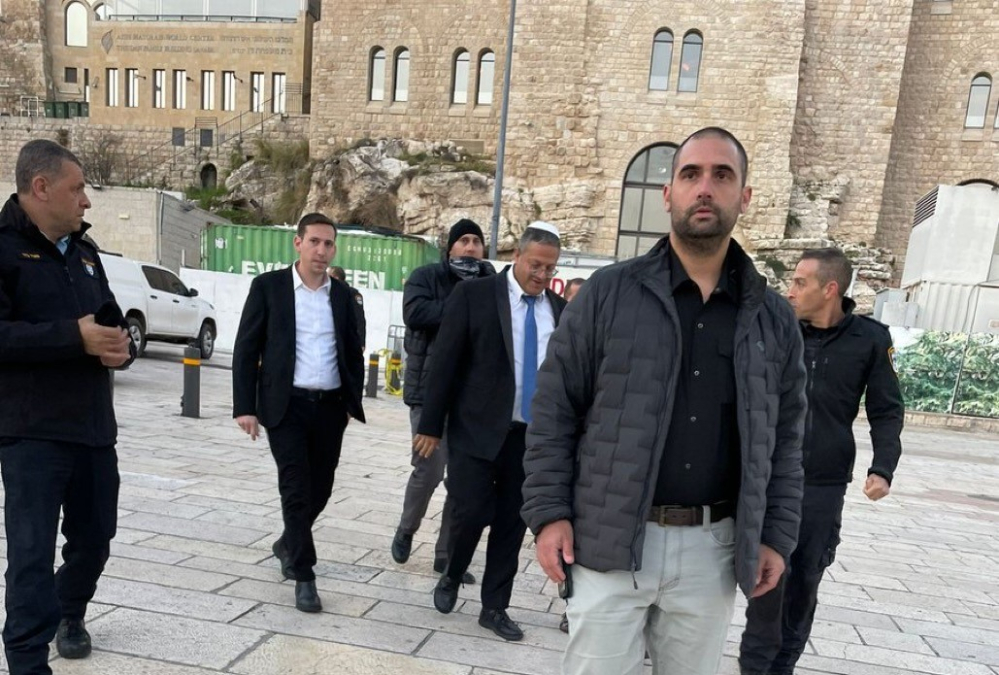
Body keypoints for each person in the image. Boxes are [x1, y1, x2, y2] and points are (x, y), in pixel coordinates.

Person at [522, 127, 808, 675]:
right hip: (608, 542)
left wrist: (775, 535)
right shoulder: (608, 294)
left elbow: (787, 439)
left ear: (745, 196)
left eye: (722, 175)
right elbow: (555, 409)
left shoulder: (772, 319)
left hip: (712, 552)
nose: (705, 188)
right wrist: (550, 513)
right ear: (668, 193)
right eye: (690, 174)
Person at [0, 139, 134, 675]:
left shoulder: (85, 252)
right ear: (41, 187)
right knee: (30, 556)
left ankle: (69, 611)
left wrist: (118, 347)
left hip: (94, 428)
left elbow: (105, 319)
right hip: (31, 432)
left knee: (95, 540)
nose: (86, 200)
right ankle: (27, 661)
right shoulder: (3, 249)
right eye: (77, 188)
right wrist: (71, 337)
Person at [739, 247, 904, 675]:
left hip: (823, 486)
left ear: (830, 289)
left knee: (803, 585)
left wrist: (883, 467)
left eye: (800, 282)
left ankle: (782, 668)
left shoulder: (870, 339)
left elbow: (887, 409)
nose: (790, 291)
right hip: (770, 479)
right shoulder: (777, 331)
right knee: (766, 586)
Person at [416, 222, 567, 641]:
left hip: (530, 439)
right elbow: (445, 361)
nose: (541, 274)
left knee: (511, 524)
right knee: (471, 510)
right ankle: (453, 571)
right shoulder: (476, 296)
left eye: (549, 268)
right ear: (516, 256)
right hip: (475, 430)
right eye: (535, 265)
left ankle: (494, 607)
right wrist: (431, 425)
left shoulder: (559, 310)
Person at [232, 212, 365, 613]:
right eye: (315, 242)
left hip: (330, 408)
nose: (322, 250)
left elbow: (353, 351)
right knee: (295, 489)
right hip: (285, 406)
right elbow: (246, 348)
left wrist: (350, 402)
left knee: (321, 489)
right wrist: (245, 407)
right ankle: (304, 574)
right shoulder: (269, 287)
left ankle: (288, 541)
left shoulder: (342, 296)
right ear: (298, 243)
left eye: (329, 244)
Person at [391, 219, 494, 584]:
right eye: (463, 240)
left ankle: (446, 556)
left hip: (472, 399)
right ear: (450, 247)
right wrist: (464, 303)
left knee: (462, 482)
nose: (471, 247)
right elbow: (416, 314)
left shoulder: (491, 282)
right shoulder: (427, 277)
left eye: (476, 241)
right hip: (428, 393)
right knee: (430, 469)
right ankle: (406, 528)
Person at [328, 265, 367, 351]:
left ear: (335, 278)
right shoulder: (327, 293)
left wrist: (361, 342)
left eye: (328, 276)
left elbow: (359, 319)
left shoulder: (352, 294)